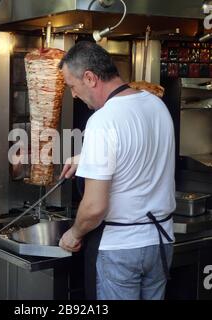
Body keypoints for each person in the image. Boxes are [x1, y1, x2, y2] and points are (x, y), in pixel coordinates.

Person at [58, 41, 176, 300]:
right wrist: (87, 157)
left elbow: (94, 207)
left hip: (120, 249)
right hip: (161, 242)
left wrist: (74, 233)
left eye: (72, 86)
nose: (74, 95)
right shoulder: (156, 105)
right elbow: (139, 151)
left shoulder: (102, 121)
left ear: (89, 77)